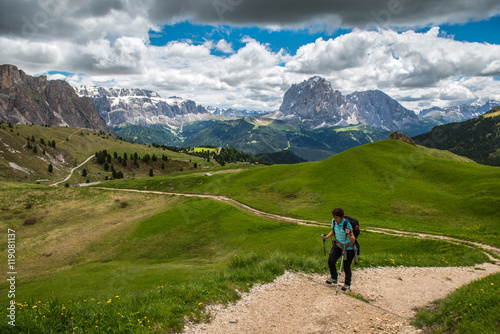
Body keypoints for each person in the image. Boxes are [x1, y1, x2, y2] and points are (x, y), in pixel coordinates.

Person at [321, 207, 356, 291]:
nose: (334, 219)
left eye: (336, 218)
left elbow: (353, 240)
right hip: (338, 245)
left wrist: (348, 234)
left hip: (348, 247)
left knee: (346, 266)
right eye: (334, 217)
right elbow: (333, 231)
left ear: (341, 217)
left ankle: (347, 283)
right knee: (331, 261)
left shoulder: (347, 224)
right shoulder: (334, 222)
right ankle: (334, 277)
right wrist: (326, 237)